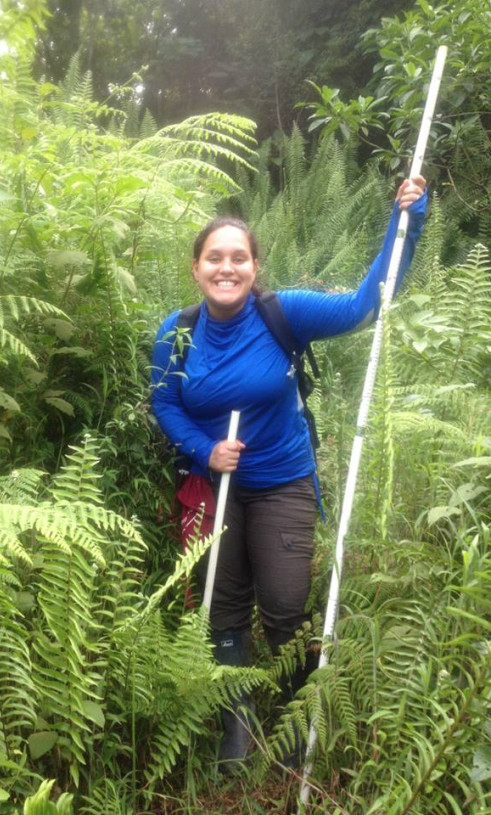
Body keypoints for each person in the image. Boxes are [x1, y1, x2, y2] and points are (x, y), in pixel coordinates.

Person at [151, 177, 427, 769]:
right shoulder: (175, 333)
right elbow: (165, 403)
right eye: (214, 258)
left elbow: (364, 305)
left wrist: (408, 219)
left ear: (255, 265)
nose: (227, 268)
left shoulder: (284, 313)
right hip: (214, 487)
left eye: (239, 257)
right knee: (222, 609)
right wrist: (204, 451)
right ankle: (238, 721)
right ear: (197, 267)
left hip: (282, 482)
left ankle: (300, 707)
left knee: (283, 605)